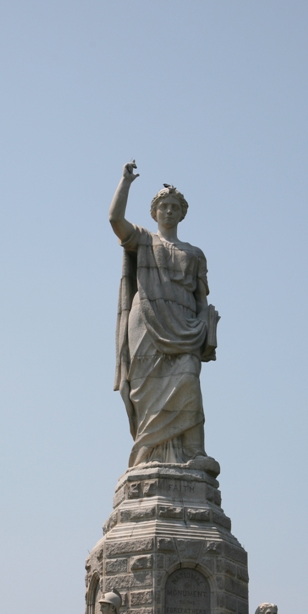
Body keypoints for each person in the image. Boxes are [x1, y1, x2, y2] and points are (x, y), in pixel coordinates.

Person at [109, 160, 219, 468]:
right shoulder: (144, 240)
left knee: (188, 380)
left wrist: (204, 327)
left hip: (186, 329)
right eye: (164, 206)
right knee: (147, 390)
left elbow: (200, 299)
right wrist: (126, 183)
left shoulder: (194, 254)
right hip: (146, 325)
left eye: (174, 207)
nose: (169, 211)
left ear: (182, 213)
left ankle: (194, 453)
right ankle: (149, 457)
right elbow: (115, 220)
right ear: (154, 212)